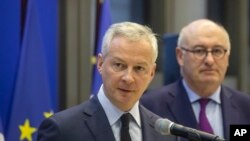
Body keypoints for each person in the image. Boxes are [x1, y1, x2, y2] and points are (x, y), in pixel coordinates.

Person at [37, 22, 173, 141]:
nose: (128, 78)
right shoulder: (63, 130)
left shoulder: (167, 134)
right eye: (119, 65)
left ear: (151, 73)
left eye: (139, 68)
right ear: (100, 64)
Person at [141, 19, 250, 141]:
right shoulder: (150, 106)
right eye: (199, 51)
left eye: (217, 51)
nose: (209, 60)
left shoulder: (246, 106)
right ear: (180, 56)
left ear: (228, 57)